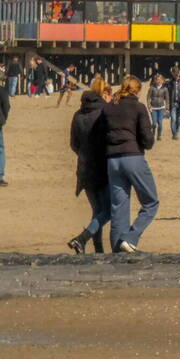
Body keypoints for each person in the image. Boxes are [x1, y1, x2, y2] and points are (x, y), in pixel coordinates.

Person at [100, 76, 158, 253]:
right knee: (151, 202)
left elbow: (101, 133)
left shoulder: (108, 107)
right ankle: (130, 238)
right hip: (133, 157)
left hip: (112, 160)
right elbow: (147, 139)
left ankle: (117, 250)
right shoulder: (138, 107)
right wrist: (148, 142)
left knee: (119, 207)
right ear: (136, 90)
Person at [67, 76, 113, 253]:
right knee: (107, 211)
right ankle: (82, 238)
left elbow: (73, 144)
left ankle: (98, 249)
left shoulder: (78, 114)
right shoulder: (104, 112)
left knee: (97, 211)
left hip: (84, 167)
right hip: (101, 168)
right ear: (104, 93)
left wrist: (84, 154)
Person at [147, 74, 168, 140]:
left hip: (161, 108)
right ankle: (153, 132)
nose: (159, 81)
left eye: (160, 80)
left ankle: (159, 135)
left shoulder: (165, 89)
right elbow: (148, 98)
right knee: (154, 123)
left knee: (160, 123)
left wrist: (167, 108)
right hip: (153, 108)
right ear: (155, 80)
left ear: (163, 80)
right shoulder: (152, 88)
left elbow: (167, 99)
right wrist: (149, 107)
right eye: (157, 80)